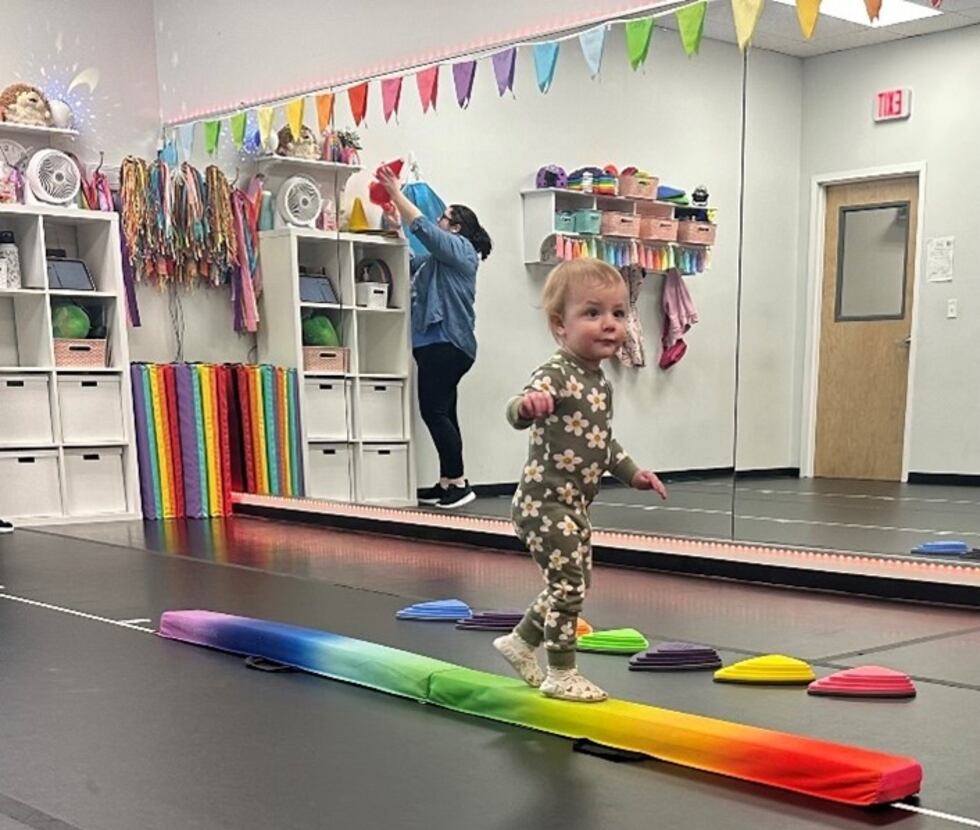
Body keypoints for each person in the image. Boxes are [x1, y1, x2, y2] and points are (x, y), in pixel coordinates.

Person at [493, 258, 667, 702]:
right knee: (569, 585)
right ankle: (561, 672)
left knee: (574, 582)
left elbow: (602, 444)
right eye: (592, 313)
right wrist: (527, 406)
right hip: (543, 504)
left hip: (573, 505)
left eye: (618, 313)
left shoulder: (600, 383)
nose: (609, 324)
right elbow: (519, 403)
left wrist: (636, 474)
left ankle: (520, 641)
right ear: (560, 325)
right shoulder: (557, 372)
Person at [378, 167, 492, 509]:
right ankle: (448, 481)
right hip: (433, 345)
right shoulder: (436, 262)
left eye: (444, 217)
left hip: (448, 344)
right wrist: (395, 226)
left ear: (456, 229)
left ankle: (458, 483)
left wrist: (397, 194)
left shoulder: (461, 251)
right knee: (445, 412)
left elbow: (424, 230)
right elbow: (409, 260)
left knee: (434, 412)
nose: (438, 220)